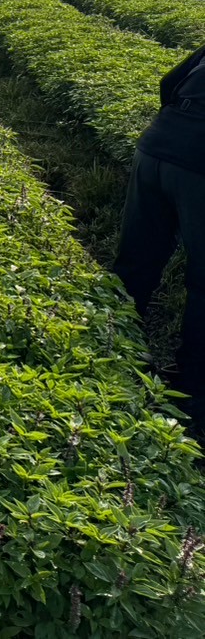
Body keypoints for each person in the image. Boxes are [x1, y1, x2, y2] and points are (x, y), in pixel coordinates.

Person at [114, 43, 205, 425]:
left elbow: (169, 83)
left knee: (137, 255)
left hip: (156, 146)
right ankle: (192, 393)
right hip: (199, 165)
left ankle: (112, 349)